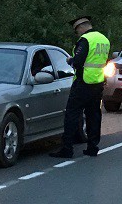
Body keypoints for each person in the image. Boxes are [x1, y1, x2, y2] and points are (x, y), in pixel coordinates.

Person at [49, 16, 110, 158]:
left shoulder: (85, 40)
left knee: (72, 114)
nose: (77, 33)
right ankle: (92, 147)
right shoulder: (103, 39)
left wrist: (70, 60)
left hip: (83, 83)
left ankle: (67, 148)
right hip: (98, 83)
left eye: (76, 30)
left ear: (82, 27)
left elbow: (78, 61)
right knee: (94, 115)